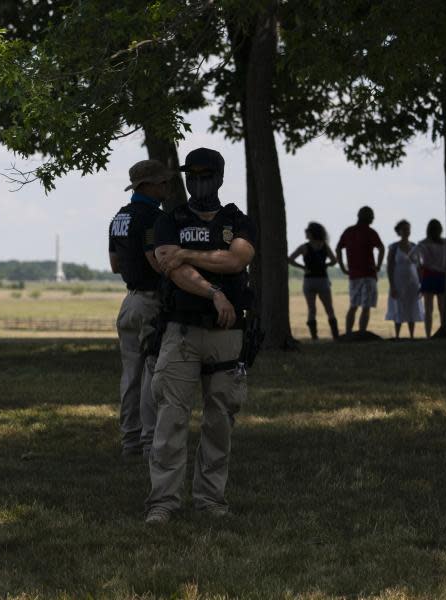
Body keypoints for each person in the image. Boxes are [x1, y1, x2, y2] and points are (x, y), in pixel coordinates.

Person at [144, 147, 256, 524]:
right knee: (170, 420)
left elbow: (236, 259)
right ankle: (163, 502)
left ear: (221, 178)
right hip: (181, 332)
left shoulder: (237, 220)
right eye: (192, 175)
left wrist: (187, 253)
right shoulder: (169, 219)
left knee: (219, 420)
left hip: (227, 334)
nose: (199, 182)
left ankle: (211, 500)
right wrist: (214, 292)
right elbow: (170, 269)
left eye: (206, 175)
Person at [109, 159, 170, 458]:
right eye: (162, 182)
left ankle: (129, 441)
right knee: (151, 372)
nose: (166, 187)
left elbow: (114, 264)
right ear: (147, 185)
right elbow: (154, 260)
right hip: (150, 303)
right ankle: (149, 443)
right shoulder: (152, 218)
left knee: (130, 376)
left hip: (129, 302)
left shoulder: (119, 217)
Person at [336, 206, 385, 335]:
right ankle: (362, 333)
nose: (373, 218)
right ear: (368, 217)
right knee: (366, 307)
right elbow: (381, 248)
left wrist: (342, 267)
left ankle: (348, 333)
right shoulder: (370, 232)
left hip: (354, 275)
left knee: (353, 306)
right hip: (369, 274)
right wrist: (378, 265)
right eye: (372, 216)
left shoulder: (349, 231)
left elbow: (338, 248)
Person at [288, 222, 338, 340]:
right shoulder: (324, 246)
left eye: (307, 231)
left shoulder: (304, 247)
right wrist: (326, 265)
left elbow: (290, 259)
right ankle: (336, 336)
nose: (306, 233)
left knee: (312, 309)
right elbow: (334, 260)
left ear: (312, 233)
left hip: (309, 281)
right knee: (329, 308)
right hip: (322, 280)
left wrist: (303, 268)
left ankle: (314, 337)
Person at [385, 220, 424, 339]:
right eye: (404, 229)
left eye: (408, 229)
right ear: (399, 231)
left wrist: (421, 284)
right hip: (398, 281)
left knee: (412, 307)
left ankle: (412, 335)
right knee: (398, 306)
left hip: (413, 282)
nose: (407, 231)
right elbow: (390, 267)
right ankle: (397, 335)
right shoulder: (394, 247)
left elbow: (419, 266)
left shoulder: (414, 246)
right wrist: (392, 285)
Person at [411, 219, 446, 337]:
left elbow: (411, 256)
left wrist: (419, 264)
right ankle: (443, 332)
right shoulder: (445, 243)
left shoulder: (422, 243)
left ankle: (428, 334)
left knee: (428, 309)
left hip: (429, 276)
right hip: (442, 276)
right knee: (442, 309)